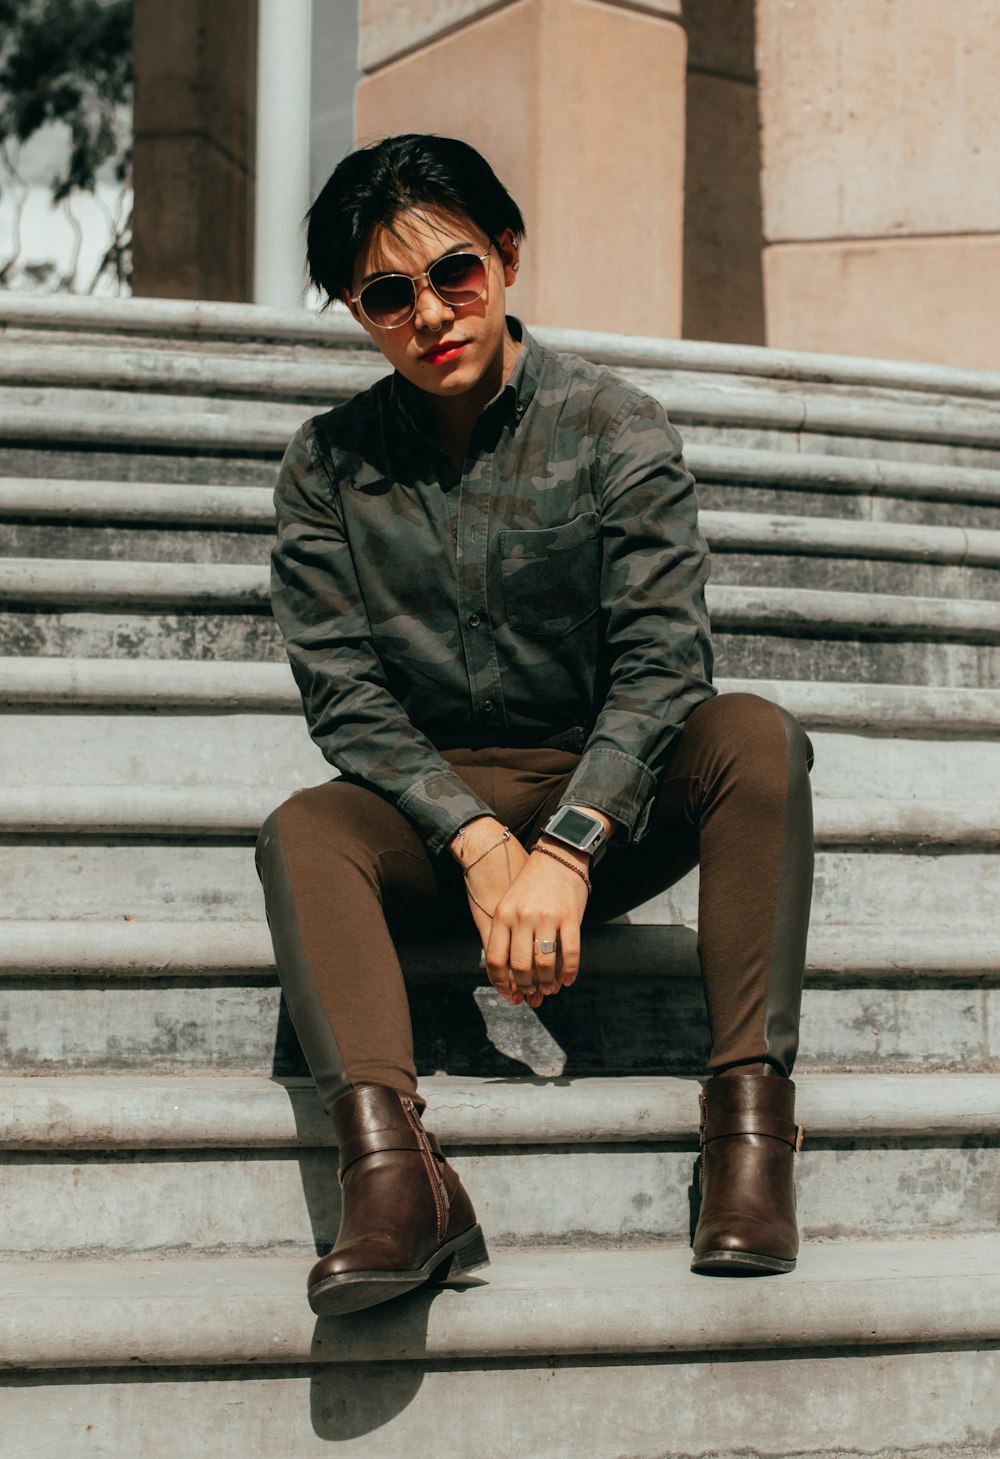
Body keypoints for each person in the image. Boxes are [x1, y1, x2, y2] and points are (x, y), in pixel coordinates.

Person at [256, 133, 814, 1318]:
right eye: (387, 295)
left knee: (756, 735)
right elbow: (344, 691)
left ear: (506, 255)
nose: (430, 315)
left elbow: (667, 660)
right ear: (359, 313)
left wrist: (566, 844)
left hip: (603, 812)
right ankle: (400, 1185)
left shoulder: (615, 427)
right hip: (436, 823)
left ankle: (750, 1134)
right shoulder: (327, 467)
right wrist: (476, 840)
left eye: (453, 272)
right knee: (304, 830)